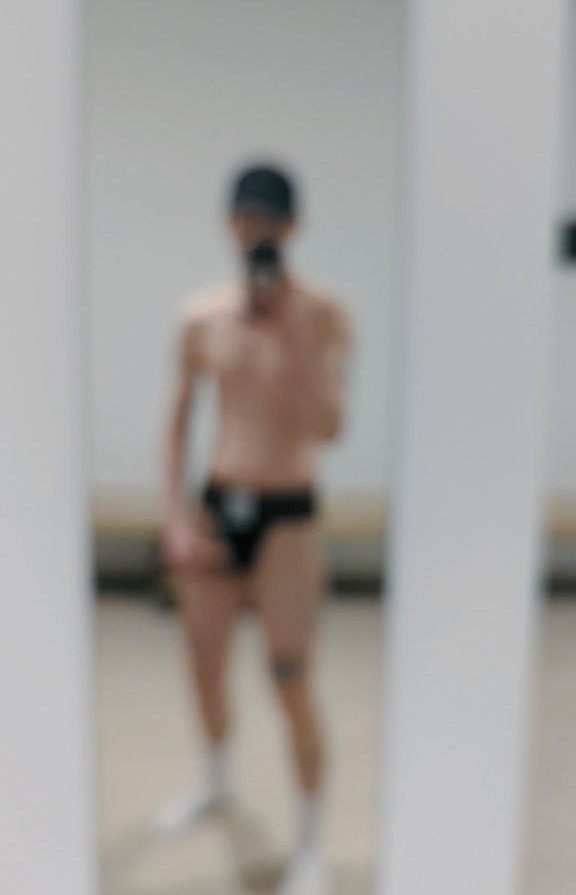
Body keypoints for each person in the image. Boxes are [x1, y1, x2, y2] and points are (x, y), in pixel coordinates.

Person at [153, 165, 352, 894]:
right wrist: (174, 517)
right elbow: (178, 419)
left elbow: (330, 427)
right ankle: (214, 779)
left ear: (292, 227)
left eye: (269, 219)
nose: (256, 231)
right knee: (203, 663)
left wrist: (291, 340)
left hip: (288, 514)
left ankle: (310, 842)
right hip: (220, 506)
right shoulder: (200, 316)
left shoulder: (325, 313)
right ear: (229, 223)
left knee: (290, 676)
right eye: (245, 217)